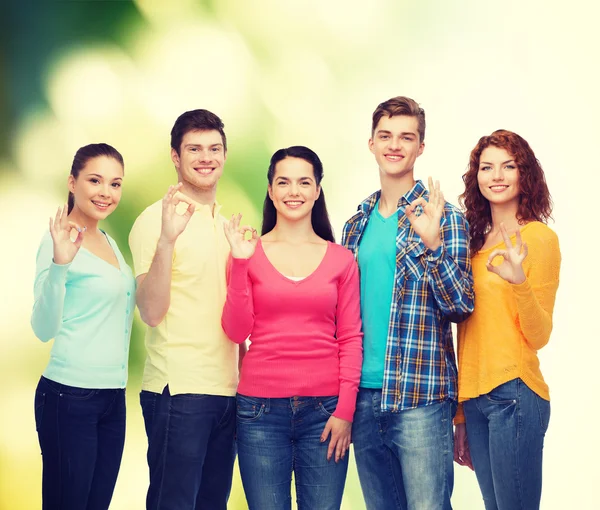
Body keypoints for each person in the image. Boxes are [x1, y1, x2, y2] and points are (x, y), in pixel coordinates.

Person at [341, 96, 474, 510]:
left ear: (421, 147)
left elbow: (460, 304)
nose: (394, 145)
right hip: (363, 396)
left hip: (420, 394)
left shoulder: (445, 217)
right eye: (385, 136)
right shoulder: (355, 223)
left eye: (406, 137)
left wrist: (432, 243)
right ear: (371, 144)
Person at [221, 145, 363, 510]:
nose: (293, 191)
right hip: (259, 412)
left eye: (304, 182)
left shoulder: (341, 259)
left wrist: (345, 410)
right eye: (283, 182)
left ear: (317, 190)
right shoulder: (247, 252)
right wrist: (238, 264)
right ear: (270, 190)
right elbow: (237, 332)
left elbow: (350, 337)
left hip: (327, 411)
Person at [129, 109, 242, 510]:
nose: (205, 157)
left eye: (214, 148)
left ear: (225, 155)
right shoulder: (153, 223)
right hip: (178, 390)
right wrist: (166, 241)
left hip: (227, 392)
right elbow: (151, 311)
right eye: (194, 149)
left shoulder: (227, 227)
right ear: (175, 157)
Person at [454, 129, 560, 510]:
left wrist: (519, 283)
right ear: (476, 176)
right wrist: (461, 413)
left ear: (523, 174)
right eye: (487, 167)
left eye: (508, 166)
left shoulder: (538, 239)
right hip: (477, 400)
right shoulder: (473, 243)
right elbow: (466, 331)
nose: (496, 175)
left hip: (514, 394)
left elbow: (539, 334)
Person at [31, 143, 135, 510]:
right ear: (72, 183)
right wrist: (60, 265)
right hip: (69, 397)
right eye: (95, 180)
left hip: (112, 397)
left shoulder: (109, 241)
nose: (106, 192)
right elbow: (43, 327)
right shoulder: (57, 240)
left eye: (115, 183)